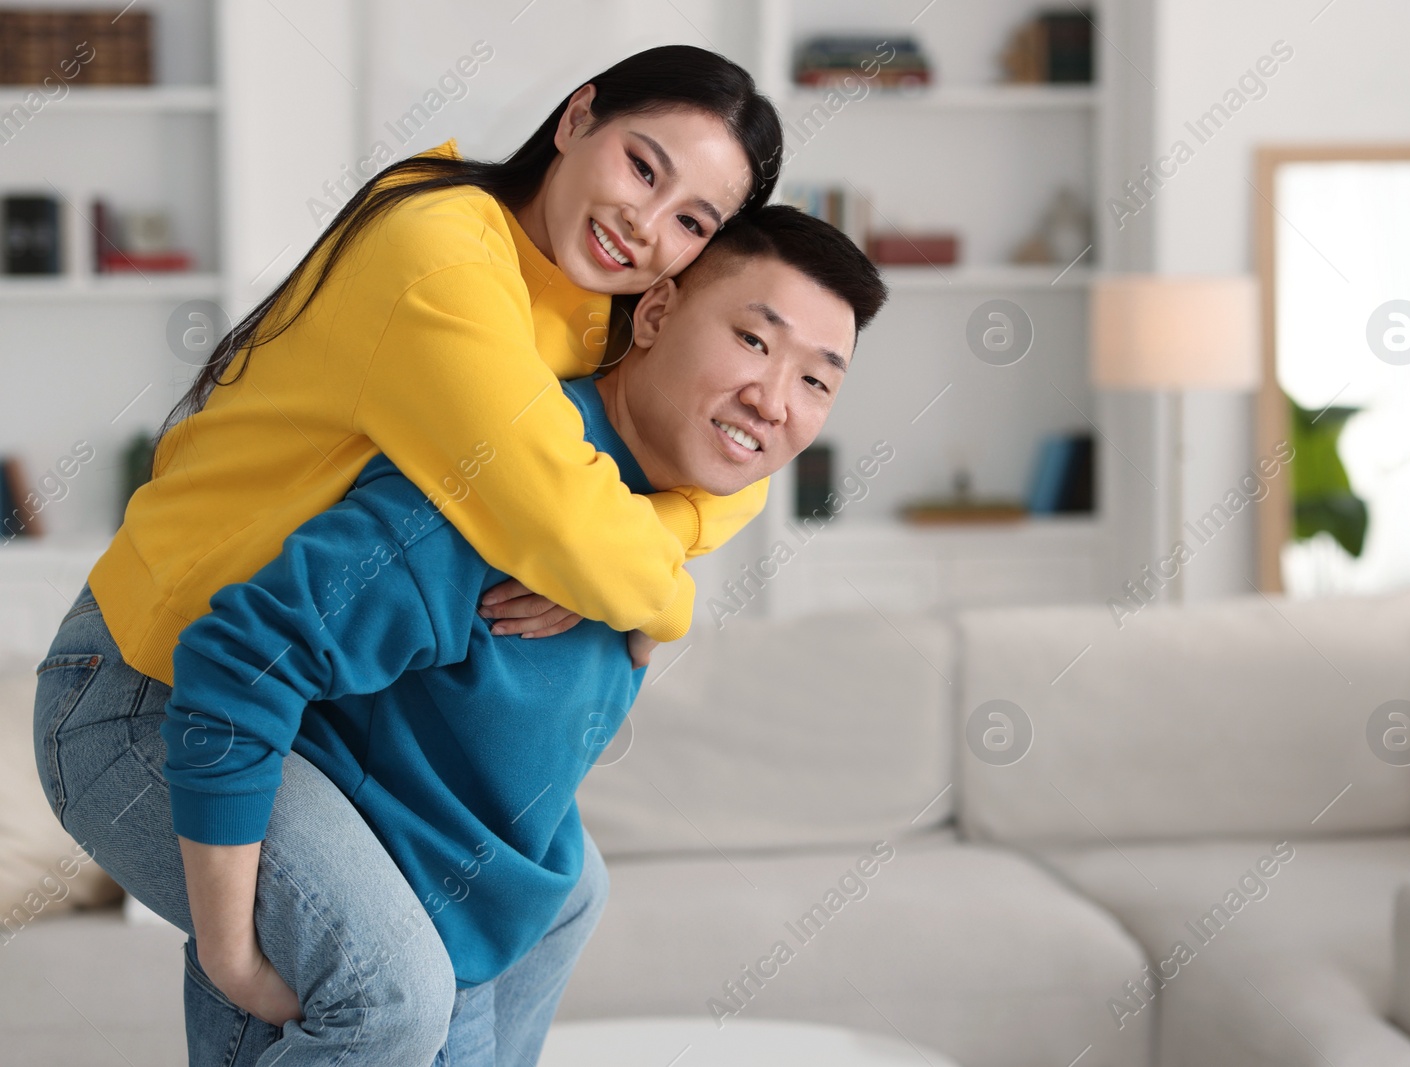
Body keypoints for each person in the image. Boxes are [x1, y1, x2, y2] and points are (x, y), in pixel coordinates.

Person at [34, 45, 786, 1065]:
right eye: (642, 167)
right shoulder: (438, 253)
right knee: (392, 990)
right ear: (577, 119)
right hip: (151, 683)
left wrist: (637, 546)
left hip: (309, 711)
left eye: (692, 221)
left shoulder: (597, 296)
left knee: (559, 894)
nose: (647, 227)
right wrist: (658, 598)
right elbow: (561, 522)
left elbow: (736, 462)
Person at [157, 206, 885, 1063]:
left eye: (817, 382)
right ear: (653, 313)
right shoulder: (501, 490)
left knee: (579, 886)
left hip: (476, 925)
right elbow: (241, 657)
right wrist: (230, 949)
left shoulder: (650, 522)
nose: (773, 401)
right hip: (382, 946)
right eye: (755, 342)